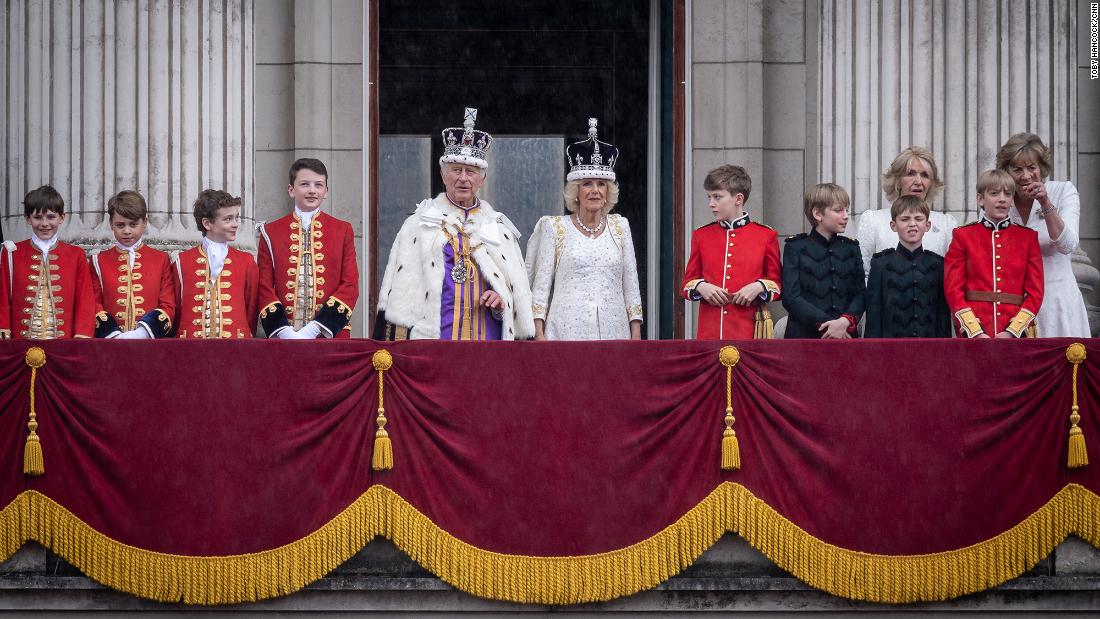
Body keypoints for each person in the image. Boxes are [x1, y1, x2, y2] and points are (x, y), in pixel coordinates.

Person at [374, 107, 534, 340]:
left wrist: (502, 302)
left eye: (471, 171)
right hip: (433, 342)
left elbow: (516, 298)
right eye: (456, 170)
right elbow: (398, 291)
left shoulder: (500, 230)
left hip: (487, 345)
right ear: (442, 175)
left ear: (482, 179)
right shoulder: (418, 225)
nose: (463, 178)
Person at [526, 119, 642, 340]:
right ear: (575, 191)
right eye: (587, 184)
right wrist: (538, 333)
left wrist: (635, 334)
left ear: (609, 191)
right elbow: (540, 287)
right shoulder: (555, 227)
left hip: (614, 332)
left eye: (601, 184)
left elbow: (631, 284)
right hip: (565, 332)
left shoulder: (620, 226)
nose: (595, 191)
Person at [997, 132, 1089, 337]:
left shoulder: (1063, 191)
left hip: (1057, 303)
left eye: (1032, 168)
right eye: (1017, 169)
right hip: (1014, 307)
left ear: (1042, 169)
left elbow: (1068, 245)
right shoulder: (998, 199)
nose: (1026, 176)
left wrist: (1046, 203)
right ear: (1006, 171)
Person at [257, 158, 358, 339]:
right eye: (304, 184)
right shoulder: (270, 232)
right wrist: (284, 332)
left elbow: (350, 285)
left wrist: (315, 328)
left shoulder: (343, 230)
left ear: (326, 191)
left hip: (330, 336)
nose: (312, 190)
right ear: (291, 190)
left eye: (318, 185)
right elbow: (263, 286)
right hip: (285, 337)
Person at [679, 164, 780, 339]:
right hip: (709, 333)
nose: (711, 204)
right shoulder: (701, 235)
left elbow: (777, 284)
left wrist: (759, 286)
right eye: (709, 197)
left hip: (749, 333)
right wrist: (701, 286)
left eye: (717, 197)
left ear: (738, 199)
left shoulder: (765, 235)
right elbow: (687, 283)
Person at [943, 170, 1043, 339]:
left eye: (1008, 194)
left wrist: (1013, 331)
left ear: (1012, 200)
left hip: (1015, 335)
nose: (1002, 199)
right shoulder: (962, 235)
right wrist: (975, 331)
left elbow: (1036, 292)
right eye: (994, 193)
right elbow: (953, 289)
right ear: (980, 199)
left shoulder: (1028, 238)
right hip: (974, 333)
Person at [0, 185, 95, 339]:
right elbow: (2, 297)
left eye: (51, 217)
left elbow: (84, 300)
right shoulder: (11, 253)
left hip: (64, 346)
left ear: (61, 218)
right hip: (20, 344)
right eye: (38, 217)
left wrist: (81, 337)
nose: (44, 223)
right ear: (28, 219)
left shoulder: (76, 255)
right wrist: (3, 328)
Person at [857, 146, 959, 275]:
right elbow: (862, 273)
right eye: (910, 174)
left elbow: (953, 275)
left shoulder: (946, 223)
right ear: (897, 180)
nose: (918, 181)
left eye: (925, 175)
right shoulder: (873, 220)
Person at [781, 183, 865, 339]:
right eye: (838, 210)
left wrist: (845, 321)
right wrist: (829, 324)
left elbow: (860, 294)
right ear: (817, 214)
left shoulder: (851, 248)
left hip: (846, 336)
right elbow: (791, 297)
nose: (846, 216)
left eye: (847, 210)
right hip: (804, 338)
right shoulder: (796, 247)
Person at [90, 190, 176, 339]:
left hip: (150, 345)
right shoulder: (98, 261)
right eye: (120, 225)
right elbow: (93, 304)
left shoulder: (161, 259)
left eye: (133, 224)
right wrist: (114, 335)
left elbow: (168, 305)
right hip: (109, 345)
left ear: (145, 223)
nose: (127, 231)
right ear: (111, 224)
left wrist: (141, 333)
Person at [173, 190, 259, 338]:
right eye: (228, 219)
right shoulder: (182, 262)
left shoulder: (246, 261)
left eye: (236, 218)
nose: (235, 224)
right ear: (207, 223)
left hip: (236, 346)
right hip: (190, 348)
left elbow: (252, 309)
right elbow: (177, 309)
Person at [864, 195, 951, 338]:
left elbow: (942, 317)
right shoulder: (880, 264)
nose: (912, 224)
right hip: (890, 351)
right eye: (905, 219)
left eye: (918, 219)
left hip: (930, 350)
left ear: (927, 225)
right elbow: (873, 315)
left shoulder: (938, 265)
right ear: (893, 225)